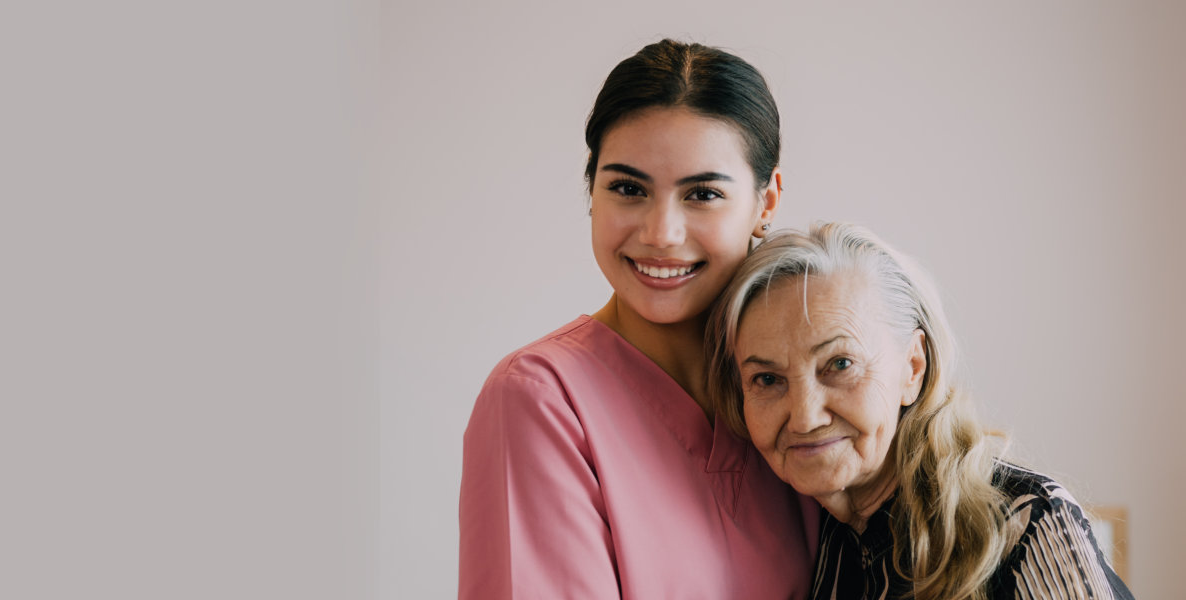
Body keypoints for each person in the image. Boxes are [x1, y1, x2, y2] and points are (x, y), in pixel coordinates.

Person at [459, 40, 813, 598]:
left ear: (766, 202)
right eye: (628, 188)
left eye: (702, 193)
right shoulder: (540, 400)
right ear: (592, 193)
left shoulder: (809, 389)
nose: (660, 234)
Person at [706, 222, 1135, 600]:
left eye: (840, 365)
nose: (805, 418)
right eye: (767, 380)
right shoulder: (805, 537)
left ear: (913, 367)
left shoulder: (1025, 524)